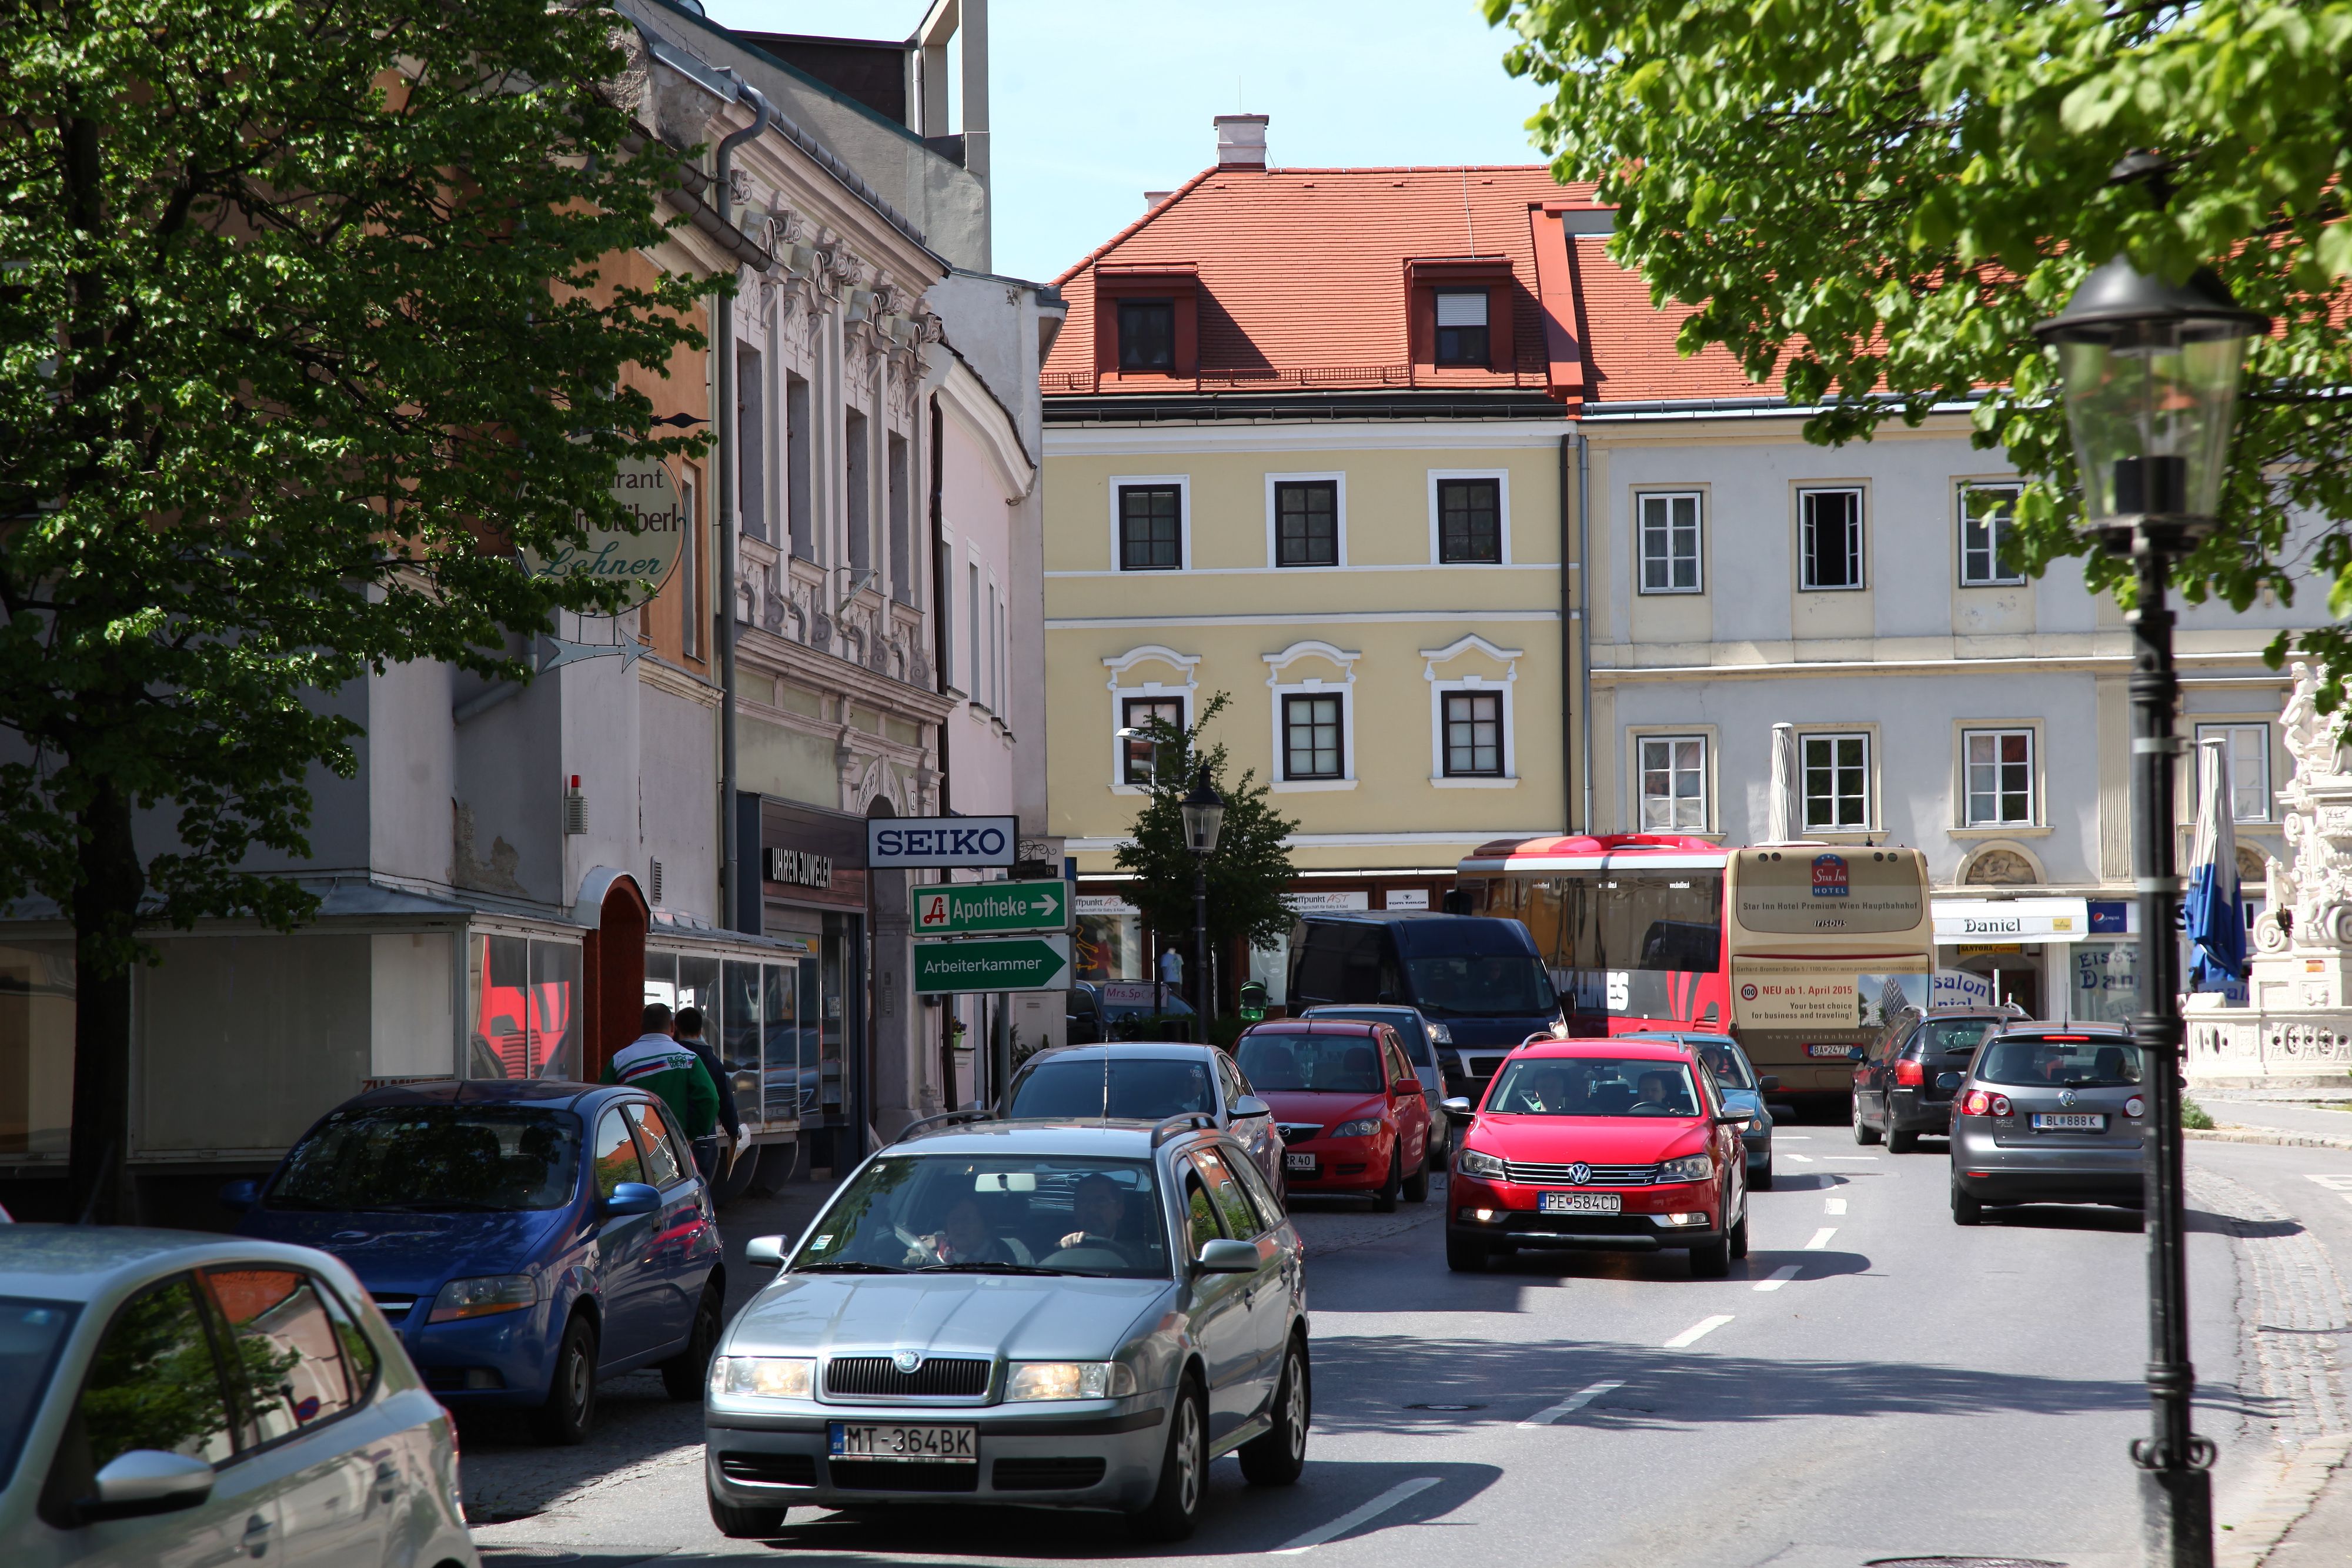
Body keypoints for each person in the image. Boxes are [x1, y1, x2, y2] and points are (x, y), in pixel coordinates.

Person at [602, 1002, 718, 1156]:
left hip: (633, 1148)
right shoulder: (689, 1059)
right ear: (672, 1026)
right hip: (674, 1145)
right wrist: (691, 1136)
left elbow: (602, 1102)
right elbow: (710, 1099)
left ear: (642, 1026)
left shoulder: (620, 1061)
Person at [672, 1005, 748, 1185]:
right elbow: (724, 1099)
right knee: (700, 1185)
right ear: (701, 1031)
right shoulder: (712, 1061)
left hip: (676, 1132)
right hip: (706, 1135)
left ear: (676, 1029)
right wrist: (733, 1129)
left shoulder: (674, 1059)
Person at [903, 1194, 1031, 1268]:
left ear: (986, 1226)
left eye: (968, 1220)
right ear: (946, 1229)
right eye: (954, 1220)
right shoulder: (921, 1260)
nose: (960, 1226)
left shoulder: (1009, 1254)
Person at [1054, 1173, 1137, 1262]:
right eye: (1083, 1202)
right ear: (1075, 1210)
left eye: (1101, 1201)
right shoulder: (1055, 1239)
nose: (1091, 1209)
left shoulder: (1140, 1248)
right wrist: (1067, 1246)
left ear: (1119, 1211)